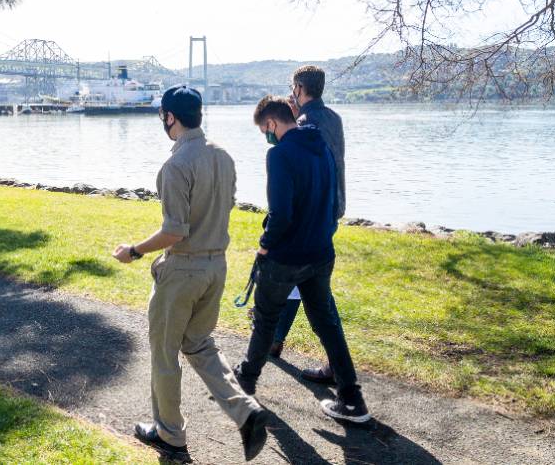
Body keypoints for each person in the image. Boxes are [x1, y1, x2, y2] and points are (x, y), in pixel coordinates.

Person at [112, 85, 270, 463]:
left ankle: (170, 435)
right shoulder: (224, 156)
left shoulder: (175, 165)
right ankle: (246, 411)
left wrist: (133, 251)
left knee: (165, 353)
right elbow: (224, 207)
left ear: (170, 117)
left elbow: (174, 230)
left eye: (162, 117)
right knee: (198, 344)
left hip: (183, 269)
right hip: (217, 266)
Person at [234, 96, 370, 423]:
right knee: (327, 323)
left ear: (271, 123)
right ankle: (352, 398)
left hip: (286, 256)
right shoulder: (321, 146)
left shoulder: (279, 155)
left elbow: (280, 213)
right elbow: (328, 197)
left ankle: (246, 383)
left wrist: (265, 245)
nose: (265, 136)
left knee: (266, 319)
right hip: (321, 252)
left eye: (264, 130)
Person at [271, 65, 348, 384]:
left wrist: (289, 122)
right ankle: (274, 340)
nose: (292, 93)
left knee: (313, 289)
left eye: (293, 88)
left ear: (301, 88)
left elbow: (288, 166)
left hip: (309, 214)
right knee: (309, 283)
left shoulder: (303, 124)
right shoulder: (334, 118)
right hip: (332, 209)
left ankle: (337, 368)